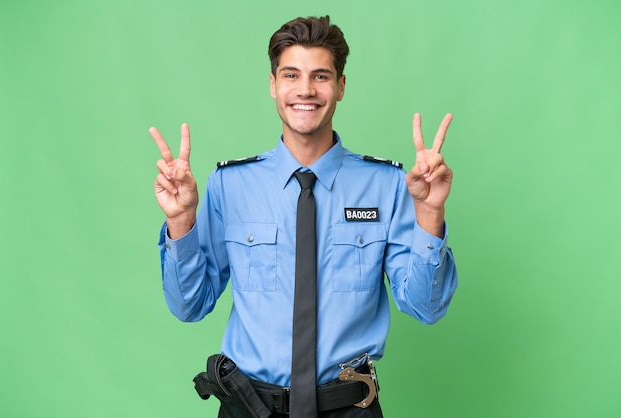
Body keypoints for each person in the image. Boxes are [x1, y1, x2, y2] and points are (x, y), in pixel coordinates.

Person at [150, 15, 458, 418]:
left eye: (321, 76)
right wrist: (181, 221)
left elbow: (426, 307)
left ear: (341, 87)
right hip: (249, 407)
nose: (305, 90)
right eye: (291, 75)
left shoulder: (388, 185)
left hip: (349, 408)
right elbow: (188, 305)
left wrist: (431, 213)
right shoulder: (230, 185)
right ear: (273, 85)